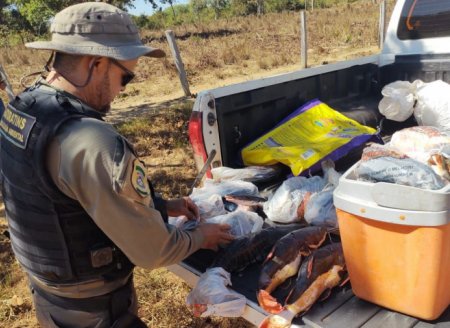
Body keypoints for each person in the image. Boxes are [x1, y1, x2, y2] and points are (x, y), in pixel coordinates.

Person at [0, 2, 233, 327]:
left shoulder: (24, 108)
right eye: (125, 76)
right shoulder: (91, 140)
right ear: (95, 63)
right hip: (96, 312)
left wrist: (163, 206)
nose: (123, 90)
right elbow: (153, 251)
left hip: (50, 298)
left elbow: (65, 195)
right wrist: (202, 236)